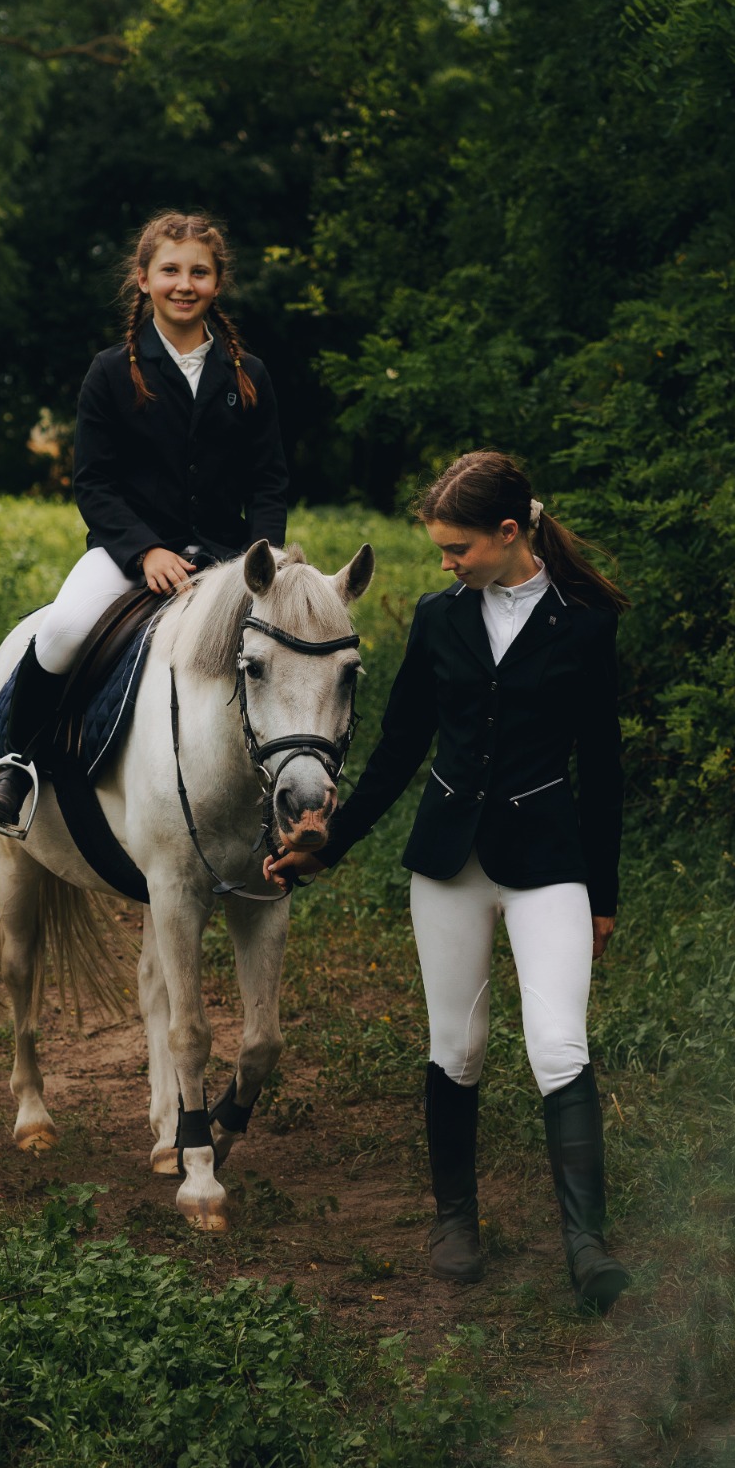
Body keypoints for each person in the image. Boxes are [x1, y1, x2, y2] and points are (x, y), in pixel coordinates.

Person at [267, 450, 631, 1314]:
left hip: (548, 865)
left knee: (557, 1047)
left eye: (456, 547)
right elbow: (397, 750)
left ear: (509, 534)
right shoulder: (438, 619)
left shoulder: (584, 623)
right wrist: (332, 843)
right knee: (456, 1049)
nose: (444, 563)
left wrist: (604, 894)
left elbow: (603, 769)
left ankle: (587, 1244)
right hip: (446, 865)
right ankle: (454, 1219)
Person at [0, 209, 289, 833]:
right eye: (170, 270)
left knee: (291, 648)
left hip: (231, 558)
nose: (184, 283)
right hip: (129, 554)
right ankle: (14, 763)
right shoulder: (111, 372)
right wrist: (144, 552)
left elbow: (270, 482)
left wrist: (264, 558)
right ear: (143, 278)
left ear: (217, 284)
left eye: (199, 272)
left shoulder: (250, 376)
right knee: (61, 629)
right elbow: (94, 483)